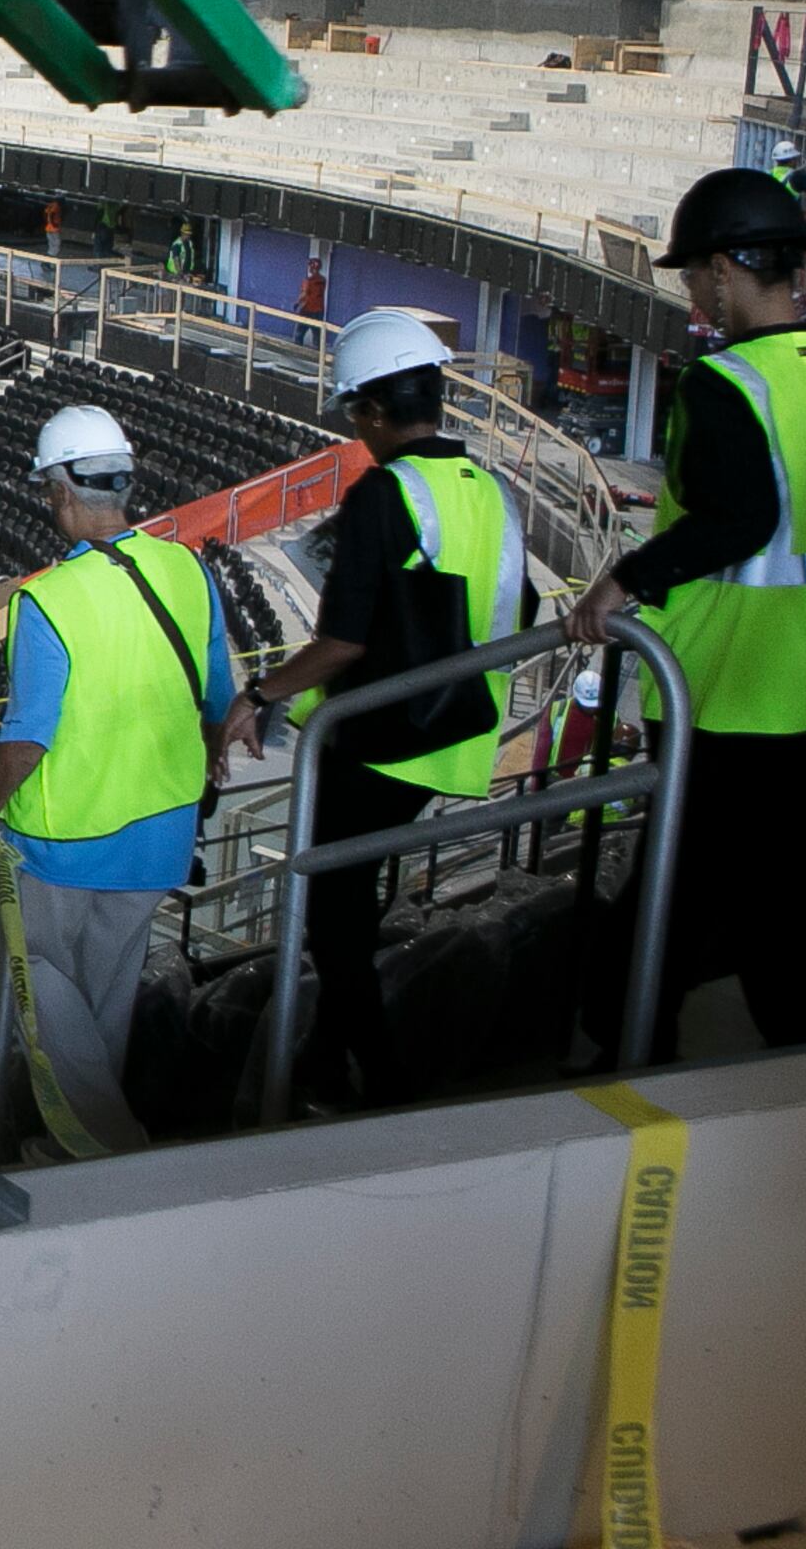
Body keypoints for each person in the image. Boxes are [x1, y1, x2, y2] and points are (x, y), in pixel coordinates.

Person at [566, 166, 806, 1063]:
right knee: (774, 887)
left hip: (729, 693)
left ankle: (628, 1057)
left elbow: (742, 520)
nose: (694, 294)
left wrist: (625, 580)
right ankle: (795, 1045)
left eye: (695, 276)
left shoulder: (722, 386)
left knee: (675, 889)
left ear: (728, 269)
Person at [229, 310, 531, 1106]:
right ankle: (326, 1062)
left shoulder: (383, 494)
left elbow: (341, 644)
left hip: (379, 741)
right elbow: (518, 609)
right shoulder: (491, 492)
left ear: (368, 411)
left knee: (335, 923)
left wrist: (259, 693)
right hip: (460, 738)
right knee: (351, 912)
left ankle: (384, 1083)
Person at [0, 406, 236, 1157]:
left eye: (50, 489)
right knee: (106, 994)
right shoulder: (187, 570)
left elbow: (28, 736)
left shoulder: (49, 600)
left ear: (66, 489)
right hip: (162, 833)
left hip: (65, 842)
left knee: (41, 986)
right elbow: (217, 697)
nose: (51, 504)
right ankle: (74, 1135)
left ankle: (100, 1145)